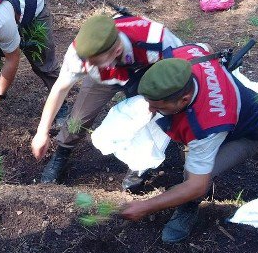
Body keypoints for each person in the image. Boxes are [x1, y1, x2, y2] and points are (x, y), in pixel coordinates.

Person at [120, 46, 258, 242]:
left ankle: (188, 208)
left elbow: (196, 185)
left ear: (183, 100)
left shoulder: (208, 124)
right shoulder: (183, 55)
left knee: (194, 174)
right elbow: (205, 48)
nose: (151, 109)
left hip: (246, 133)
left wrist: (145, 206)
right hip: (227, 115)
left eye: (158, 106)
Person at [31, 13, 182, 190]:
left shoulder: (155, 41)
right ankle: (62, 153)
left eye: (93, 62)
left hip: (147, 74)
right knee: (79, 117)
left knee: (152, 116)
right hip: (105, 77)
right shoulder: (82, 52)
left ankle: (139, 166)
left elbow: (181, 71)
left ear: (117, 51)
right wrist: (42, 132)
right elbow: (59, 89)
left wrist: (160, 101)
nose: (84, 66)